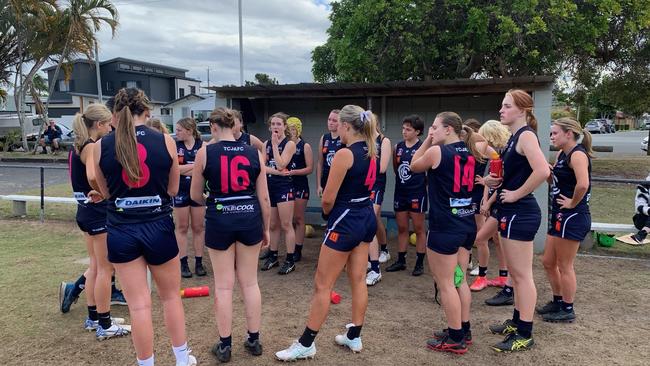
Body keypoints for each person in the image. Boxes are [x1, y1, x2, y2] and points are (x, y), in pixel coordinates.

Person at [93, 88, 196, 366]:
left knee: (139, 306)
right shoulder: (165, 140)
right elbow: (174, 189)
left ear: (115, 114)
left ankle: (146, 363)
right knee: (171, 298)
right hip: (158, 226)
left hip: (121, 230)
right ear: (147, 112)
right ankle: (182, 360)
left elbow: (105, 193)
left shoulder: (100, 146)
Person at [275, 105, 378, 361]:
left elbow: (328, 199)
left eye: (338, 125)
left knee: (323, 284)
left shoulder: (345, 153)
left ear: (345, 126)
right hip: (366, 215)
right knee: (357, 279)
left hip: (345, 219)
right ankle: (354, 335)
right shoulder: (372, 148)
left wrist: (327, 215)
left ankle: (306, 343)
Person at [190, 107, 271, 363]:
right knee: (250, 282)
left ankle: (225, 345)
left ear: (214, 127)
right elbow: (264, 198)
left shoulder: (204, 152)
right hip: (249, 218)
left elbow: (194, 195)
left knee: (224, 285)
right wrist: (266, 228)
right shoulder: (254, 153)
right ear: (234, 126)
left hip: (219, 219)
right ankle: (254, 339)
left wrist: (214, 202)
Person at [410, 112, 489, 354]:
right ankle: (463, 329)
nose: (431, 130)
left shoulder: (437, 152)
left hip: (445, 226)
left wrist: (427, 141)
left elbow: (413, 165)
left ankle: (455, 337)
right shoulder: (471, 153)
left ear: (448, 129)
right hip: (465, 225)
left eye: (435, 127)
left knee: (446, 283)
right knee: (459, 280)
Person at [484, 89, 550, 353]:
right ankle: (516, 322)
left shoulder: (526, 136)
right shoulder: (514, 137)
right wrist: (495, 184)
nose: (501, 110)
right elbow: (513, 175)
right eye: (502, 105)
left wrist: (516, 194)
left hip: (521, 212)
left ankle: (525, 332)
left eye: (507, 106)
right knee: (515, 274)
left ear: (522, 110)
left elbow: (543, 170)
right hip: (512, 211)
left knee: (522, 277)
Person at [67, 104, 130, 340]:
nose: (111, 128)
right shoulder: (92, 146)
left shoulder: (78, 145)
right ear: (100, 125)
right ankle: (104, 323)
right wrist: (105, 192)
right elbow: (93, 175)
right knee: (105, 268)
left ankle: (94, 318)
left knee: (95, 267)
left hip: (84, 210)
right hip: (96, 211)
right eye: (108, 124)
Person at [538, 117, 592, 323]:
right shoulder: (562, 153)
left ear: (568, 134)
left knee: (564, 265)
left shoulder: (577, 155)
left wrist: (572, 203)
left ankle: (568, 308)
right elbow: (555, 180)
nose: (551, 136)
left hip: (573, 216)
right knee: (548, 262)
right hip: (559, 215)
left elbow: (582, 184)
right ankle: (558, 300)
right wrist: (547, 173)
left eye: (555, 133)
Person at [469, 120, 511, 294]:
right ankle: (500, 275)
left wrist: (487, 198)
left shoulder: (494, 151)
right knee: (488, 236)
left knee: (487, 236)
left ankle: (486, 274)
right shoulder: (470, 147)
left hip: (490, 198)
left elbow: (498, 178)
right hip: (477, 196)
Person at [386, 115, 428, 277]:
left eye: (408, 129)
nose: (404, 132)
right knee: (402, 228)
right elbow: (397, 170)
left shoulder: (423, 148)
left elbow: (428, 172)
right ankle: (401, 260)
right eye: (403, 128)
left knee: (418, 229)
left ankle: (419, 263)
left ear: (417, 131)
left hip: (417, 193)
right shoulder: (398, 147)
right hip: (401, 192)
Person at [260, 112, 298, 274]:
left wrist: (275, 146)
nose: (275, 127)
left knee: (286, 224)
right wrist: (275, 171)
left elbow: (282, 164)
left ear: (284, 127)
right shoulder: (266, 143)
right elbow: (262, 167)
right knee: (273, 224)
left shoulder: (289, 144)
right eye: (273, 124)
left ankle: (290, 259)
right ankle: (273, 255)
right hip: (270, 185)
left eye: (279, 124)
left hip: (285, 186)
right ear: (269, 126)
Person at [173, 117, 207, 278]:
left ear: (189, 130)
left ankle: (199, 262)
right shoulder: (174, 146)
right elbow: (175, 170)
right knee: (181, 227)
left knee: (199, 227)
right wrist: (195, 167)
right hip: (180, 190)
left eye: (179, 129)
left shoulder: (203, 146)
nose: (176, 132)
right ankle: (183, 263)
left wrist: (185, 169)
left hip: (197, 191)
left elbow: (204, 170)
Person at [366, 115, 391, 286]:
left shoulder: (384, 141)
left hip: (376, 184)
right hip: (362, 184)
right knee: (374, 220)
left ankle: (375, 267)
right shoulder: (361, 139)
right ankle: (379, 252)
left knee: (369, 220)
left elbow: (382, 168)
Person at [287, 117, 313, 262]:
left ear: (298, 130)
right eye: (288, 128)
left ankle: (298, 249)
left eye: (292, 128)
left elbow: (310, 168)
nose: (289, 131)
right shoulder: (284, 145)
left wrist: (294, 172)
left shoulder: (305, 146)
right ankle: (283, 249)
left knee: (298, 218)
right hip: (286, 184)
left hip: (300, 185)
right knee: (286, 220)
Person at [316, 110, 342, 198]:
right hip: (326, 178)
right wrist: (319, 185)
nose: (330, 123)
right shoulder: (324, 138)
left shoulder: (344, 139)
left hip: (340, 179)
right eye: (329, 119)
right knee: (325, 209)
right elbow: (320, 163)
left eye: (334, 121)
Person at [631, 173, 650, 243]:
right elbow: (639, 207)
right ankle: (642, 234)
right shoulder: (644, 186)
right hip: (642, 220)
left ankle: (642, 234)